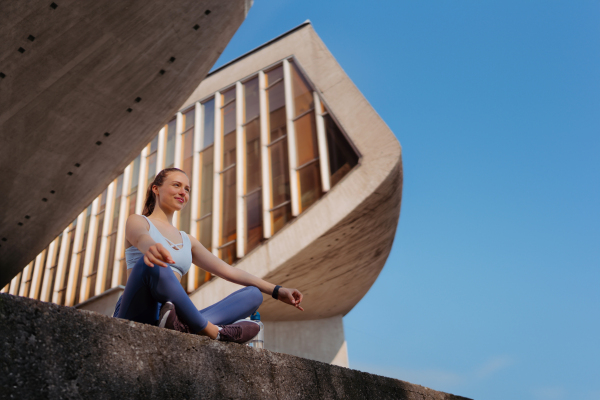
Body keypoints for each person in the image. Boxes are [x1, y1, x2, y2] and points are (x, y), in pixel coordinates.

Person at [114, 167, 303, 343]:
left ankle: (183, 327)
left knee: (253, 295)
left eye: (187, 189)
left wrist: (277, 291)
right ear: (156, 188)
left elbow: (228, 271)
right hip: (137, 310)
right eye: (176, 185)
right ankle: (214, 331)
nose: (183, 192)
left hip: (173, 314)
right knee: (154, 265)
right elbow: (140, 237)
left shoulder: (187, 240)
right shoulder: (138, 221)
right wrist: (151, 248)